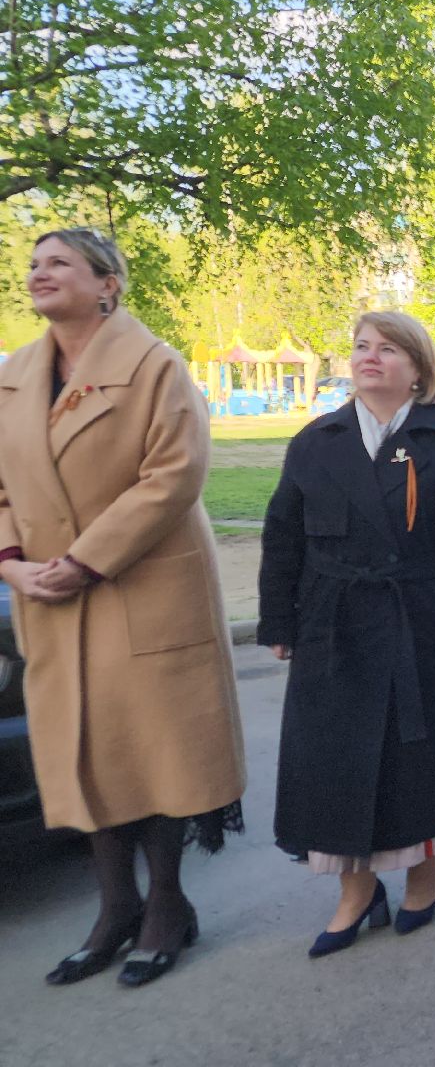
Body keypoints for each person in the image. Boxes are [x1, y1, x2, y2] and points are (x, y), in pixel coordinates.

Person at [1, 228, 245, 988]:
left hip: (143, 588)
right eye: (33, 264)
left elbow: (174, 474)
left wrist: (84, 560)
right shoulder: (14, 376)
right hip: (50, 597)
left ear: (108, 284)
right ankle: (115, 909)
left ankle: (166, 905)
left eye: (59, 263)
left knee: (154, 751)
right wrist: (10, 562)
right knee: (85, 753)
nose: (39, 273)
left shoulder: (154, 365)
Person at [260, 311, 435, 957]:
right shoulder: (317, 441)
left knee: (418, 765)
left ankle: (424, 874)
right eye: (362, 346)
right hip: (332, 628)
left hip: (421, 627)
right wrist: (278, 619)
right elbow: (283, 536)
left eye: (388, 348)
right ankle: (356, 890)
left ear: (417, 368)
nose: (370, 356)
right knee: (334, 764)